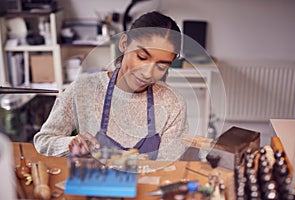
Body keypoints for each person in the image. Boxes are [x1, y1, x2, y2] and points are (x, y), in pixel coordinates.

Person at [33, 11, 188, 160]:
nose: (147, 73)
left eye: (161, 67)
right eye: (141, 57)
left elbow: (169, 165)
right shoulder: (83, 89)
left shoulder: (173, 104)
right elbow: (43, 141)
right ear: (124, 43)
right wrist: (70, 144)